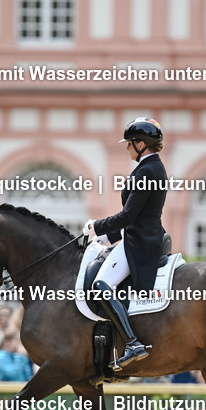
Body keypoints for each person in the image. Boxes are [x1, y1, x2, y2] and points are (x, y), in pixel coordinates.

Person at [82, 117, 168, 370]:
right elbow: (136, 218)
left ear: (141, 144)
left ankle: (132, 342)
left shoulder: (146, 170)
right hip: (141, 234)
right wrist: (106, 237)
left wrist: (96, 226)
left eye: (130, 143)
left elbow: (129, 216)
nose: (127, 148)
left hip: (140, 242)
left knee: (101, 284)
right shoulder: (152, 167)